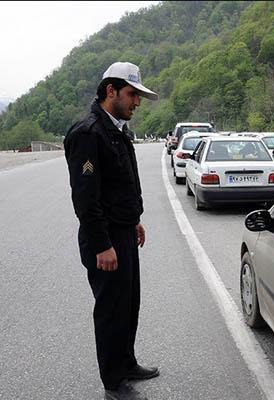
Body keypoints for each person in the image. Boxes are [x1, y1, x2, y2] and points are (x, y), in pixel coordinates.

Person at [64, 62, 159, 400]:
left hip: (122, 232)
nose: (137, 102)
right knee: (110, 308)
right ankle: (114, 382)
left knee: (128, 302)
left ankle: (127, 361)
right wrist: (103, 243)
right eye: (133, 94)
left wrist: (133, 219)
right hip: (103, 238)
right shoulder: (89, 133)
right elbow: (86, 198)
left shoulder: (116, 129)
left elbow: (119, 185)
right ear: (111, 91)